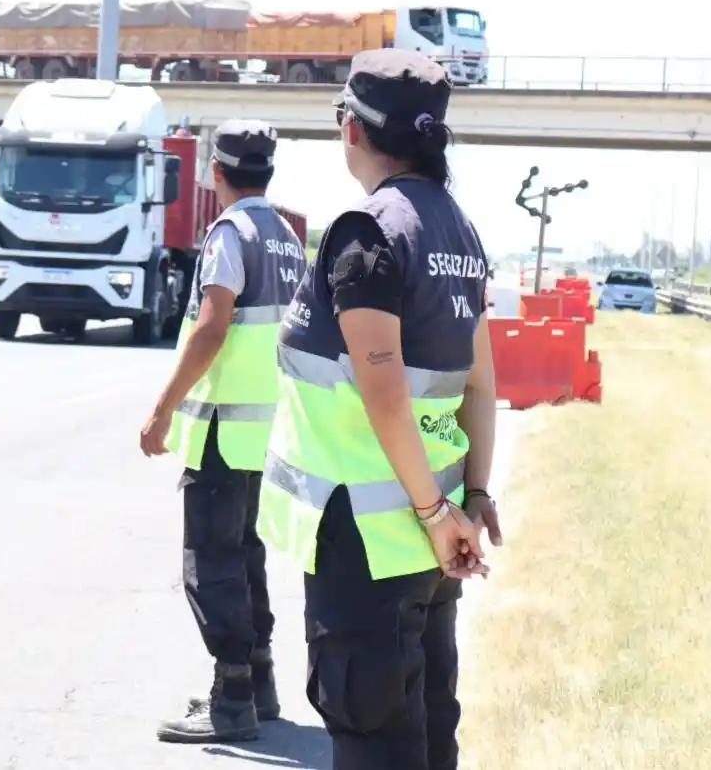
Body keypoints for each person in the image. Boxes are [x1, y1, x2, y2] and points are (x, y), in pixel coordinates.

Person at [256, 49, 504, 770]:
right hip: (430, 541)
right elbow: (482, 385)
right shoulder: (459, 234)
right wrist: (471, 496)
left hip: (371, 540)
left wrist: (434, 514)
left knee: (375, 743)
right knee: (422, 741)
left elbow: (383, 386)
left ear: (353, 131)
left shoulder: (368, 232)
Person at [139, 118, 307, 744]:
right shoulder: (287, 237)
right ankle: (258, 685)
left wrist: (162, 409)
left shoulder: (229, 233)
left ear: (216, 172)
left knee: (211, 561)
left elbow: (212, 327)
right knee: (245, 555)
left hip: (222, 428)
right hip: (267, 431)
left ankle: (231, 699)